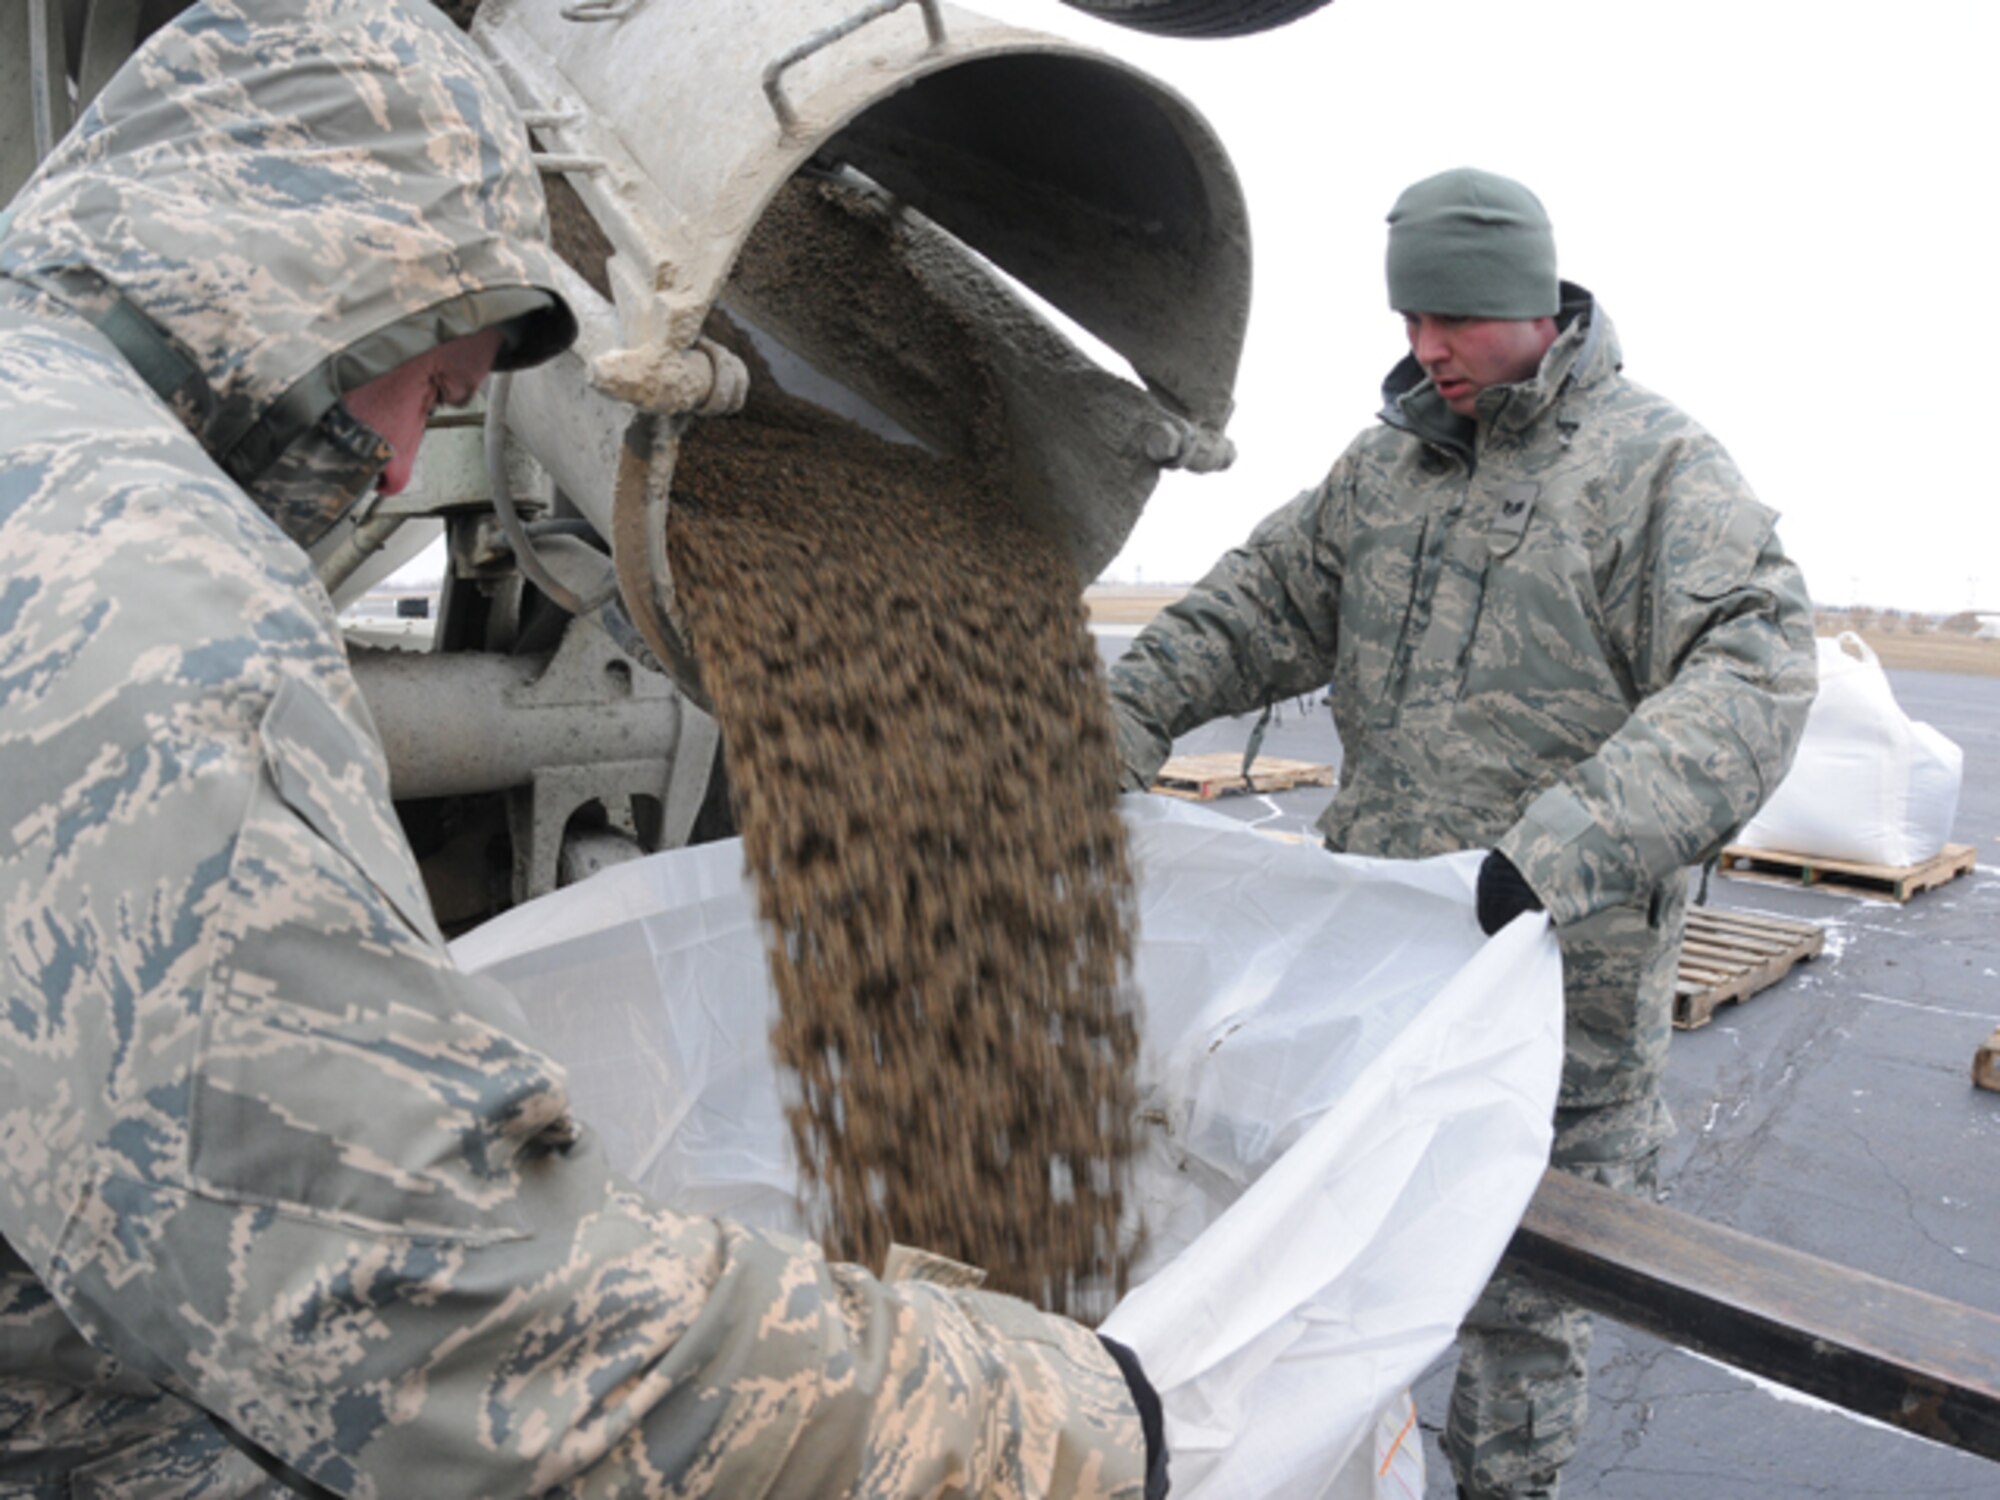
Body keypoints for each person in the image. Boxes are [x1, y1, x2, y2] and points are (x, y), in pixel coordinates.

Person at [0, 2, 1163, 1495]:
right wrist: (1069, 1419)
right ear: (323, 274)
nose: (406, 462)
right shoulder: (128, 580)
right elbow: (448, 1330)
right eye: (424, 380)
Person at [1105, 167, 1816, 1499]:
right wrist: (1115, 720)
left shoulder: (1654, 468)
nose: (1426, 349)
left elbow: (1754, 676)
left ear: (1529, 305)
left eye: (1452, 320)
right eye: (1410, 320)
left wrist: (1552, 858)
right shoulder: (1386, 472)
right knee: (1316, 1267)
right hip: (1380, 977)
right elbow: (1252, 608)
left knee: (1523, 1309)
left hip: (1560, 991)